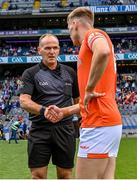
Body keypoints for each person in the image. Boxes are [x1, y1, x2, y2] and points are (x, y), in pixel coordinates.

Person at [48, 7, 122, 179]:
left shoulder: (92, 34)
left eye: (68, 28)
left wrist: (88, 88)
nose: (69, 33)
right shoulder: (91, 42)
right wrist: (65, 111)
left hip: (98, 123)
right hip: (108, 121)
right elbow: (91, 100)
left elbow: (102, 51)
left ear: (75, 24)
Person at [19, 34, 79, 179]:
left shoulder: (70, 72)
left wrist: (81, 120)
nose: (51, 51)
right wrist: (44, 110)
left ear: (59, 50)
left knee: (65, 175)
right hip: (40, 129)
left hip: (65, 129)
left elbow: (79, 101)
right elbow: (24, 101)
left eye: (55, 48)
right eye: (47, 48)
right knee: (38, 175)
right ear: (39, 50)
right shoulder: (30, 73)